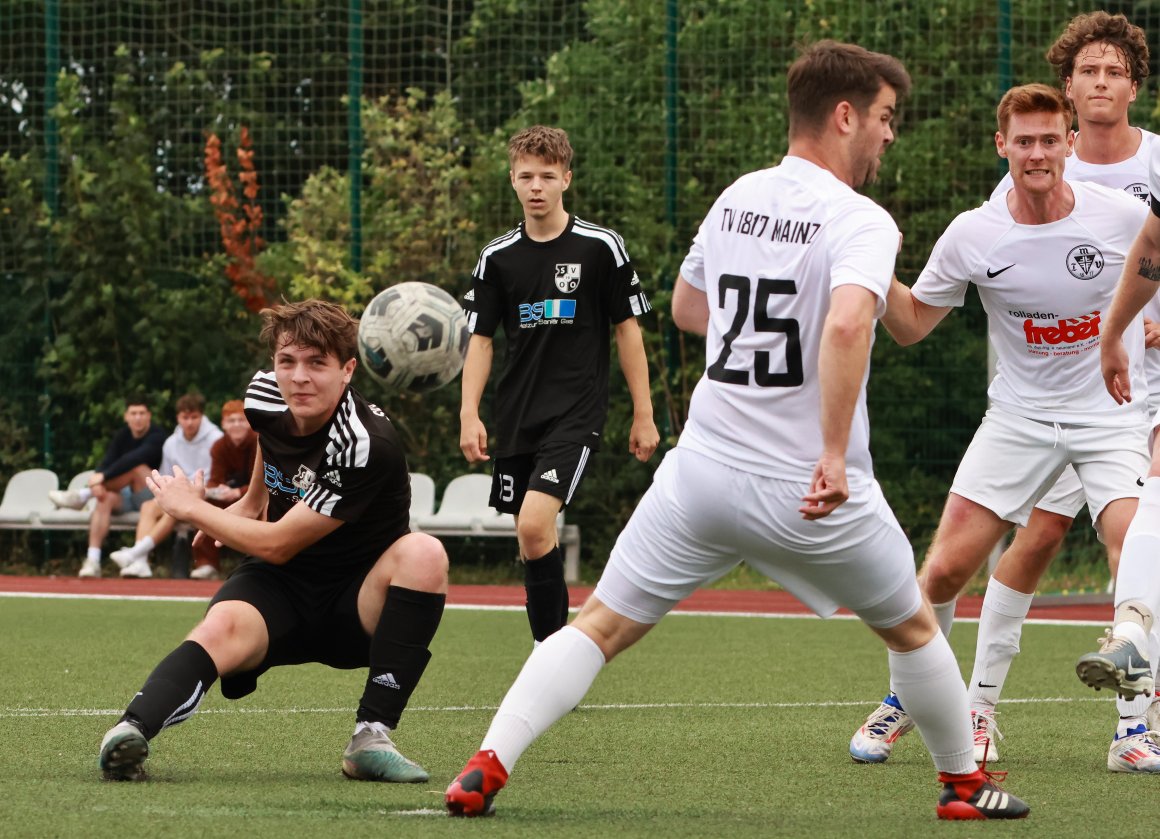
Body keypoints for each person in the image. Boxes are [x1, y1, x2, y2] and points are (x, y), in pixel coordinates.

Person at [445, 41, 1029, 821]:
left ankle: (486, 763)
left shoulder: (738, 196)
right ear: (846, 115)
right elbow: (852, 325)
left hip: (705, 474)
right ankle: (961, 786)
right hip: (809, 489)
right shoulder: (859, 217)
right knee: (915, 627)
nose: (891, 135)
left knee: (600, 625)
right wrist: (829, 449)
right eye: (886, 118)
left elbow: (690, 311)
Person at [852, 12, 1160, 774]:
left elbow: (1153, 251)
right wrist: (867, 258)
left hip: (1111, 411)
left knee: (1134, 536)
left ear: (1067, 147)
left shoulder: (1121, 214)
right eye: (1023, 142)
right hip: (1018, 417)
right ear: (1004, 148)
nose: (1038, 153)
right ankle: (915, 700)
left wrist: (1129, 328)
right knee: (944, 570)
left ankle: (1131, 699)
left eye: (1048, 141)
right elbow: (913, 324)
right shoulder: (974, 232)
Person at [97, 299, 449, 785]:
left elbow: (279, 543)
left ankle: (371, 737)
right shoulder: (263, 396)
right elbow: (270, 451)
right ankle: (129, 731)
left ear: (347, 370)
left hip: (358, 597)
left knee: (424, 553)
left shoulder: (363, 442)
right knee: (219, 627)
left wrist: (196, 509)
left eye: (317, 363)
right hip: (281, 588)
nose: (299, 377)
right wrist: (247, 502)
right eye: (288, 361)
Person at [459, 125, 660, 646]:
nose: (536, 186)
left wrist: (644, 413)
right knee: (534, 538)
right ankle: (555, 655)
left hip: (577, 412)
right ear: (512, 181)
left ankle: (549, 658)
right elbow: (480, 341)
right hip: (517, 415)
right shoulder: (496, 258)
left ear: (566, 179)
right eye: (526, 176)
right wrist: (469, 413)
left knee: (531, 525)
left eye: (548, 176)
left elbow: (627, 332)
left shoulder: (600, 248)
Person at [48, 396, 166, 578]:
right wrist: (99, 484)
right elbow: (107, 462)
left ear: (149, 415)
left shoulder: (158, 436)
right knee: (103, 498)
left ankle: (83, 495)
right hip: (126, 496)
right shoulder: (122, 435)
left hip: (152, 497)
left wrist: (102, 477)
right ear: (126, 416)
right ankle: (92, 560)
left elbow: (133, 459)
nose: (138, 418)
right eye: (133, 413)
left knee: (137, 468)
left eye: (142, 413)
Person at [110, 393, 223, 579]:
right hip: (178, 495)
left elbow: (216, 477)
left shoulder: (216, 439)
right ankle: (141, 562)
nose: (189, 422)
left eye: (194, 417)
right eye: (185, 417)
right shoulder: (171, 443)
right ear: (178, 418)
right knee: (149, 506)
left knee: (173, 510)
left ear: (202, 416)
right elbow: (165, 476)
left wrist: (192, 492)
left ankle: (135, 554)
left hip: (205, 495)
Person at [190, 399, 259, 580]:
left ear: (249, 422)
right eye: (231, 420)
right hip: (230, 495)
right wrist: (214, 489)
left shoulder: (260, 442)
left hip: (255, 495)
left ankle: (258, 559)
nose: (236, 425)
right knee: (204, 504)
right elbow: (215, 479)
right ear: (223, 424)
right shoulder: (219, 446)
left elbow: (263, 482)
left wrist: (239, 492)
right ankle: (207, 563)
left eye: (241, 420)